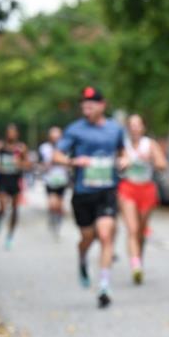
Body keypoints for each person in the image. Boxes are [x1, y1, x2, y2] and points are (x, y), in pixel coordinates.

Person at [53, 86, 127, 309]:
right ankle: (82, 255)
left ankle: (104, 286)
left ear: (102, 105)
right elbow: (57, 155)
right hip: (83, 193)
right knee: (87, 237)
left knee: (105, 235)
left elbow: (122, 152)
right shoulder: (75, 130)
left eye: (91, 104)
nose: (86, 107)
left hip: (107, 191)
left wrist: (124, 161)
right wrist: (73, 161)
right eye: (83, 104)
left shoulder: (115, 129)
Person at [119, 114, 167, 284]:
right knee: (132, 229)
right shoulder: (122, 145)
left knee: (141, 230)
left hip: (146, 189)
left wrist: (151, 159)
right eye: (131, 125)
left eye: (137, 125)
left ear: (143, 128)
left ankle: (139, 258)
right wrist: (122, 162)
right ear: (128, 128)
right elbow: (116, 164)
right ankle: (136, 266)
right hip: (128, 188)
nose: (134, 128)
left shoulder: (150, 144)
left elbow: (163, 165)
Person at [0, 124, 30, 249]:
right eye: (9, 132)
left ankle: (10, 236)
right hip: (3, 179)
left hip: (15, 180)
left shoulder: (21, 148)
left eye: (13, 132)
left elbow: (28, 164)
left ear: (17, 134)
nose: (11, 135)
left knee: (15, 209)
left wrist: (20, 164)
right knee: (2, 206)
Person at [39, 127, 69, 240]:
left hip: (62, 179)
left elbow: (69, 162)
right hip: (50, 179)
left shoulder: (66, 148)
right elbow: (40, 163)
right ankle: (52, 217)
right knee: (52, 204)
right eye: (53, 137)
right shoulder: (44, 148)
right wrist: (47, 164)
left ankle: (58, 223)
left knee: (60, 205)